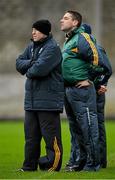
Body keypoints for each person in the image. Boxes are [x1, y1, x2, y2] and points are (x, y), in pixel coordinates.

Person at [16, 19, 64, 172]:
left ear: (45, 32)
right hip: (31, 102)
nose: (33, 32)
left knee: (52, 139)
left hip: (48, 102)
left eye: (36, 30)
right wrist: (33, 62)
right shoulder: (31, 47)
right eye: (33, 30)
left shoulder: (53, 48)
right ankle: (29, 166)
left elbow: (38, 71)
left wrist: (29, 67)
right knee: (31, 138)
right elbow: (18, 63)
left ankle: (53, 166)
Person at [64, 23, 112, 170]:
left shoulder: (96, 48)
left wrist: (100, 83)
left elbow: (106, 68)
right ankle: (80, 158)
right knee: (85, 126)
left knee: (95, 126)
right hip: (90, 89)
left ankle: (99, 160)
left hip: (94, 91)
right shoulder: (82, 48)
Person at [60, 10, 100, 171]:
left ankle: (93, 163)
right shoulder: (69, 40)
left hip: (82, 90)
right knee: (75, 128)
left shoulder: (83, 37)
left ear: (75, 22)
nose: (61, 20)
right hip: (69, 89)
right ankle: (79, 162)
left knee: (88, 127)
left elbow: (98, 60)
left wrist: (90, 79)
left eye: (66, 18)